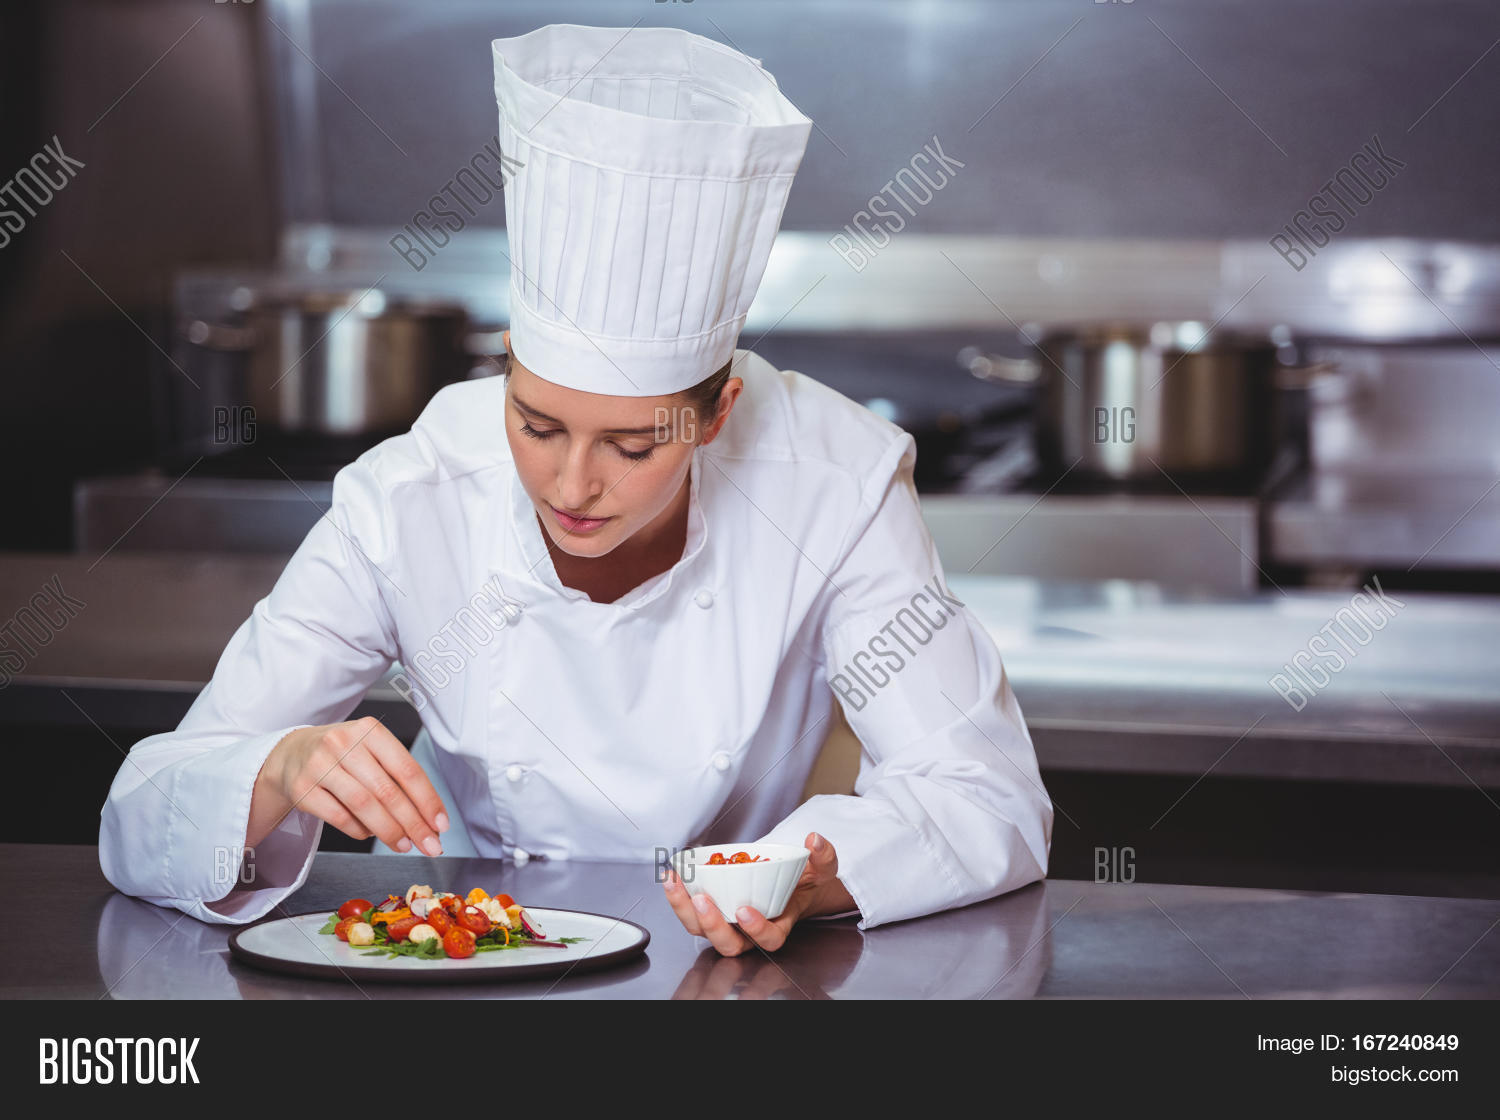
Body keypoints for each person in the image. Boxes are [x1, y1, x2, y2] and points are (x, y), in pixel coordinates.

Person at [99, 24, 1053, 957]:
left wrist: (811, 875)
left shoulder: (833, 481)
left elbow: (983, 795)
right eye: (537, 424)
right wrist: (279, 765)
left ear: (717, 412)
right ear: (507, 366)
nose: (571, 483)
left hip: (724, 968)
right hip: (470, 955)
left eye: (633, 445)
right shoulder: (413, 497)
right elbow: (142, 813)